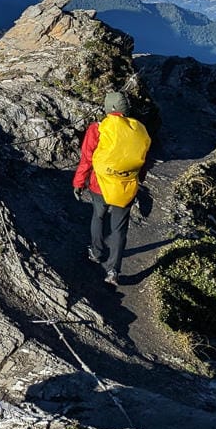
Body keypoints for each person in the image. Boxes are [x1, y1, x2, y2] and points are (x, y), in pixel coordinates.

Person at [73, 90, 152, 285]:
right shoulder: (139, 129)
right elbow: (143, 160)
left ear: (108, 108)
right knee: (119, 229)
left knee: (98, 217)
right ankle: (113, 270)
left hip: (99, 184)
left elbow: (87, 159)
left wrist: (78, 182)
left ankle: (97, 252)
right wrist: (138, 179)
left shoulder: (98, 129)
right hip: (125, 188)